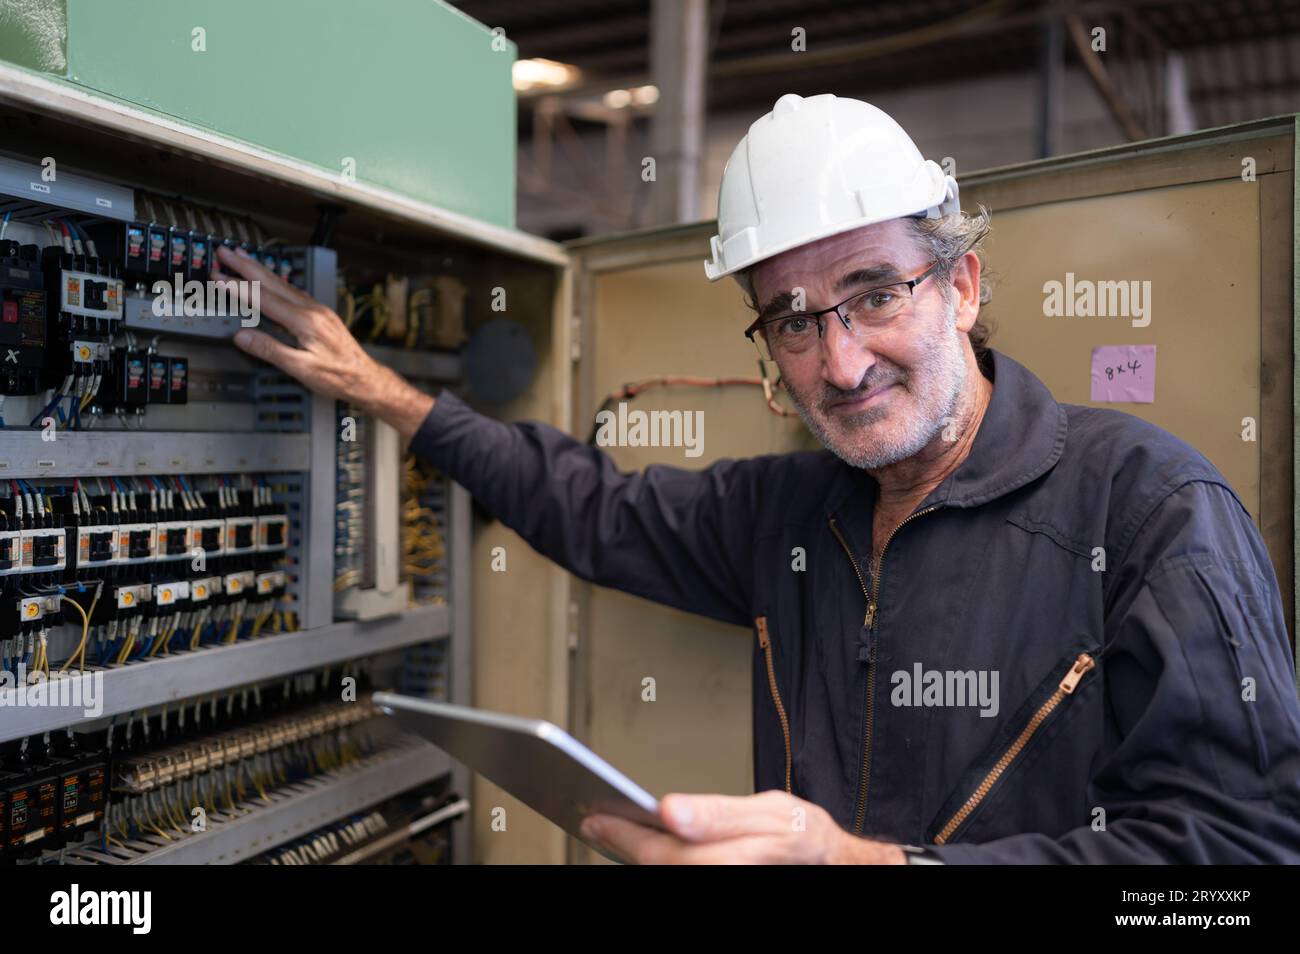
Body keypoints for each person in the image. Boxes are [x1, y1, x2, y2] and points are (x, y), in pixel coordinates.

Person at [215, 93, 1300, 865]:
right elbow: (592, 509)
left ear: (961, 284)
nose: (838, 363)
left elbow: (1239, 853)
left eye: (875, 293)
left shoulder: (1151, 511)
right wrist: (393, 399)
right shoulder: (790, 514)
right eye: (792, 319)